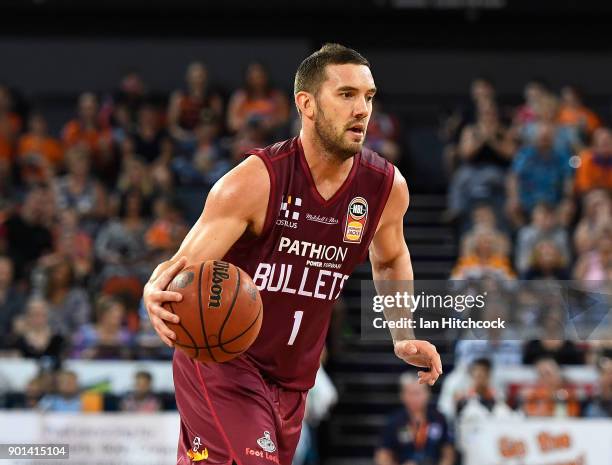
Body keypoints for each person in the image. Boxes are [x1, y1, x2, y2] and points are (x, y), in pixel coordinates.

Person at [143, 44, 443, 465]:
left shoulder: (385, 187)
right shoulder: (254, 182)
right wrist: (155, 289)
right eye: (346, 95)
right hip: (224, 361)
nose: (362, 109)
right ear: (308, 104)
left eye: (368, 97)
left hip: (293, 379)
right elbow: (182, 267)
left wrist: (403, 334)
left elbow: (391, 258)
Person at [375, 373, 455, 465]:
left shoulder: (439, 419)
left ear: (428, 393)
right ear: (402, 395)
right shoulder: (394, 421)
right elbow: (382, 455)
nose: (414, 398)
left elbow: (448, 453)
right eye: (410, 393)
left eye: (417, 393)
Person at [514, 202, 570, 275]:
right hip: (532, 274)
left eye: (550, 216)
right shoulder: (525, 234)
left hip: (555, 273)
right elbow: (521, 265)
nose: (547, 221)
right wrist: (537, 258)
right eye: (543, 216)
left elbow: (567, 262)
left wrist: (554, 258)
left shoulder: (561, 234)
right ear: (534, 217)